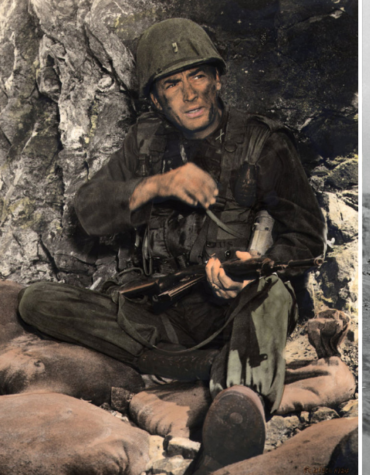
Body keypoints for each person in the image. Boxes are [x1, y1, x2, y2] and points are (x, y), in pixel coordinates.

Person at [17, 18, 325, 473]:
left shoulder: (263, 145)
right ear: (156, 97)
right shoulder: (144, 142)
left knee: (274, 295)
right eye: (172, 83)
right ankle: (198, 366)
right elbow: (88, 210)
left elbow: (307, 239)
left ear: (218, 79)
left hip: (234, 313)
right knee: (38, 301)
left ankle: (240, 406)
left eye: (199, 75)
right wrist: (158, 184)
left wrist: (258, 267)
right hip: (159, 312)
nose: (190, 93)